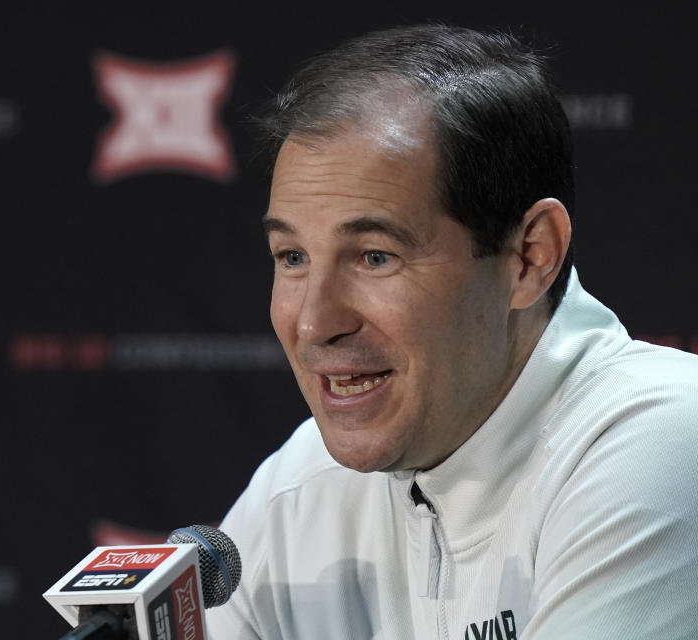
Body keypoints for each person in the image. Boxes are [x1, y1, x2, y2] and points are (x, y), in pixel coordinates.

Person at [205, 23, 698, 639]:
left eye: (375, 256)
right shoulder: (298, 491)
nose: (314, 322)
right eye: (292, 257)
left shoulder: (663, 439)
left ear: (529, 257)